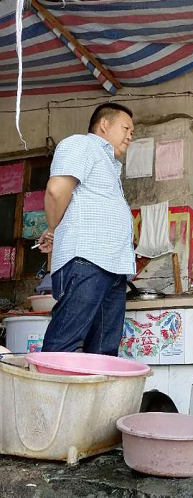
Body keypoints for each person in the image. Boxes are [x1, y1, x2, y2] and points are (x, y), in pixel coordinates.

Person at [37, 103, 136, 356]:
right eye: (126, 128)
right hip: (87, 260)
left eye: (132, 132)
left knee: (104, 353)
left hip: (113, 266)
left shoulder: (109, 164)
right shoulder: (82, 144)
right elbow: (56, 190)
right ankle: (47, 383)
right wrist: (53, 229)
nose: (130, 136)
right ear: (104, 124)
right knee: (64, 344)